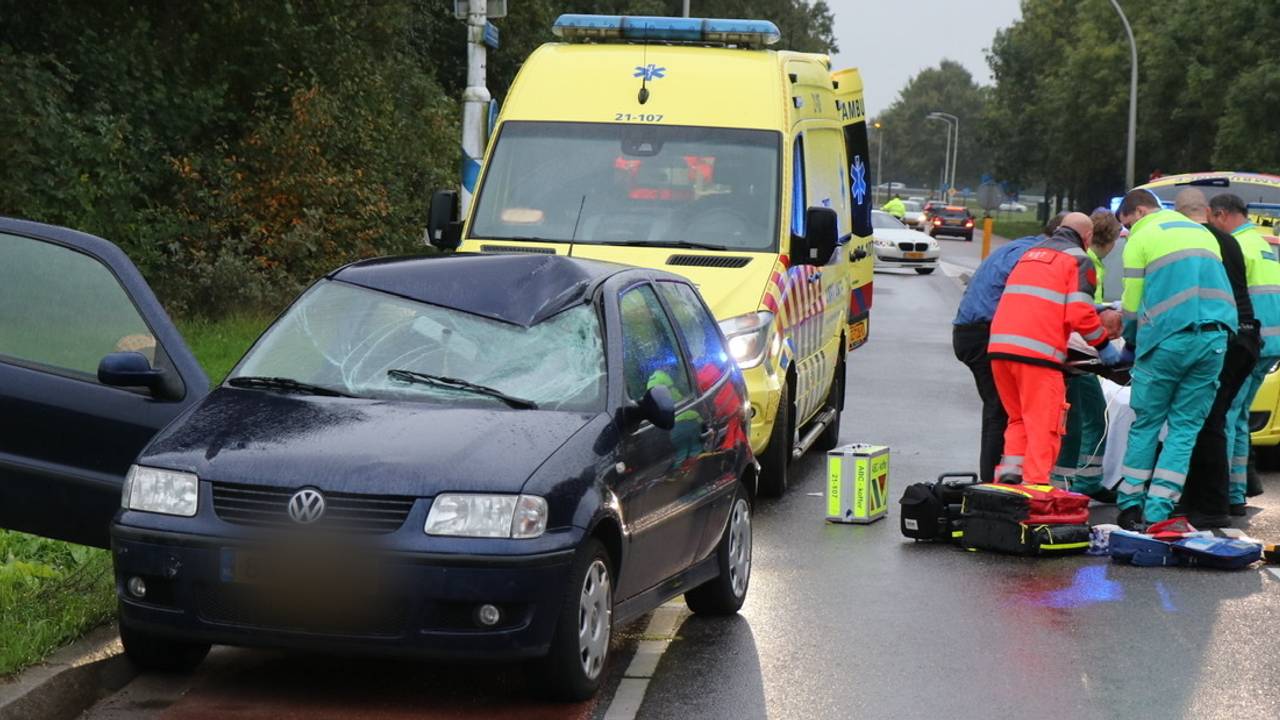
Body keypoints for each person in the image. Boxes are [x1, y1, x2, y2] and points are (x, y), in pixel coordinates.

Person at [1115, 189, 1237, 531]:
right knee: (1185, 428)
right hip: (1214, 339)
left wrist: (1129, 341)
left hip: (1167, 340)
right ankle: (1159, 511)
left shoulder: (1142, 238)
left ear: (1139, 212)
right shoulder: (1201, 232)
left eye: (1127, 225)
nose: (1126, 233)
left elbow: (1131, 305)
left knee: (1148, 422)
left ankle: (1129, 506)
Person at [988, 212, 1121, 485]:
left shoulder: (1031, 255)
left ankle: (1009, 487)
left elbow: (1043, 299)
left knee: (1018, 420)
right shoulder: (1079, 259)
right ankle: (1037, 490)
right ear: (1087, 237)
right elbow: (1079, 314)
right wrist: (1104, 346)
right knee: (1045, 425)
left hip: (1000, 349)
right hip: (1038, 356)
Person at [953, 213, 1066, 482]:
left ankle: (998, 479)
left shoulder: (1019, 246)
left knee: (1000, 409)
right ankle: (992, 483)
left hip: (970, 332)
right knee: (1000, 410)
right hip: (986, 333)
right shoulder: (1036, 256)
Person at [1179, 189, 1257, 527]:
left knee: (1206, 421)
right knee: (1217, 419)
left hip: (1225, 338)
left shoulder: (1197, 240)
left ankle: (1209, 505)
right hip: (1247, 337)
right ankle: (1218, 500)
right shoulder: (1228, 240)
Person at [1210, 192, 1280, 516]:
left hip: (1250, 342)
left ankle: (1223, 492)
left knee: (1225, 416)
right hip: (1269, 346)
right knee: (1237, 418)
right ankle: (1236, 492)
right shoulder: (1263, 244)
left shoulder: (1235, 245)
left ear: (1222, 215)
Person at [1052, 210, 1124, 500]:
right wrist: (1105, 343)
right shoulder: (1088, 261)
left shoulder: (1088, 260)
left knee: (1087, 416)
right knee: (1085, 417)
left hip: (1075, 349)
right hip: (1077, 352)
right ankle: (1072, 484)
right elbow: (1083, 310)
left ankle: (1083, 481)